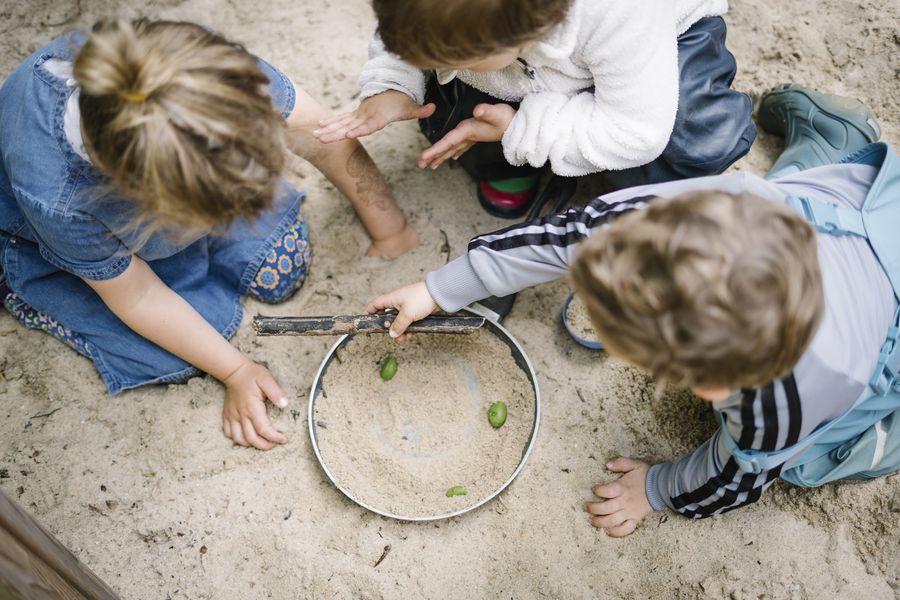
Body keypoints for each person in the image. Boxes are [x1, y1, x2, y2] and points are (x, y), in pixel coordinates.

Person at [364, 87, 899, 535]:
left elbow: (736, 477)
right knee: (793, 195)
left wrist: (658, 488)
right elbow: (569, 235)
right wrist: (441, 288)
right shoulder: (675, 220)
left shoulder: (791, 397)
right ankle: (836, 144)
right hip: (868, 211)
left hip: (876, 332)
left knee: (808, 461)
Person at [0, 19, 417, 451]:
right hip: (75, 247)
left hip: (178, 189)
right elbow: (138, 296)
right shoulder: (58, 197)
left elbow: (323, 138)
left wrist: (391, 228)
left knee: (281, 269)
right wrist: (236, 371)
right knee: (171, 356)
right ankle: (23, 289)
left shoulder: (206, 72)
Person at [313, 0, 757, 218]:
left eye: (454, 58)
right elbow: (409, 27)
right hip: (512, 58)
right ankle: (509, 157)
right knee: (446, 106)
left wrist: (519, 129)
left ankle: (625, 188)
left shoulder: (622, 11)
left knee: (691, 141)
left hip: (662, 45)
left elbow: (637, 129)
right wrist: (394, 83)